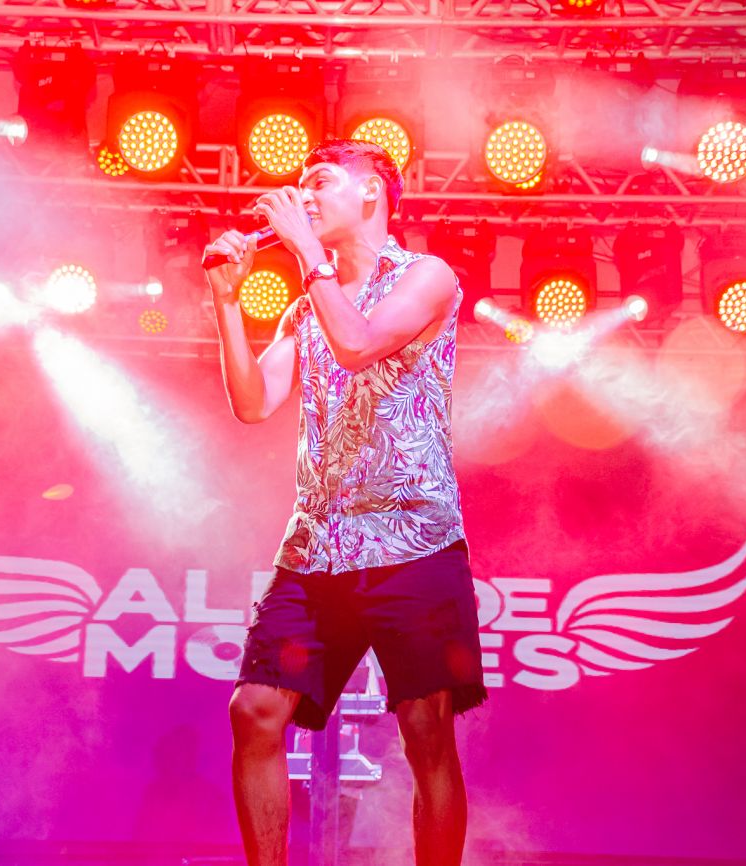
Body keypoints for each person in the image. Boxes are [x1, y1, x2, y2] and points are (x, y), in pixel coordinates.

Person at [202, 139, 487, 866]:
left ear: (371, 193)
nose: (303, 197)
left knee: (426, 731)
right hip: (316, 548)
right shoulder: (305, 309)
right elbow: (252, 403)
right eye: (300, 187)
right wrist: (227, 302)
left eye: (319, 182)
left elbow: (359, 344)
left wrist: (307, 252)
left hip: (414, 542)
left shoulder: (426, 276)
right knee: (254, 711)